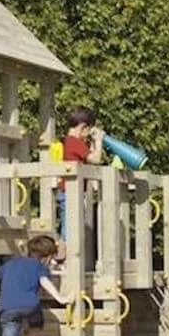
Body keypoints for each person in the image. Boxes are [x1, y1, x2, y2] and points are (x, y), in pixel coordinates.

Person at [56, 106, 105, 263]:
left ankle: (63, 259)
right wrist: (99, 141)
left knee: (69, 226)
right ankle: (60, 259)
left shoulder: (69, 142)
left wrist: (93, 144)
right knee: (69, 229)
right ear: (83, 127)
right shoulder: (75, 142)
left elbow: (88, 158)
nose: (88, 135)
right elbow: (96, 159)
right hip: (70, 192)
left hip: (68, 192)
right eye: (88, 131)